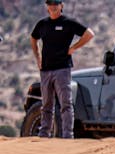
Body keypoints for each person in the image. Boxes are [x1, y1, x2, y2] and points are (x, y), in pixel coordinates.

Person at [30, 0, 94, 138]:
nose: (53, 6)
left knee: (65, 103)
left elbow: (89, 34)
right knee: (46, 104)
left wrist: (74, 48)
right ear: (47, 6)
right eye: (50, 4)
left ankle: (67, 135)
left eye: (56, 4)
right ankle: (44, 134)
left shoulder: (68, 22)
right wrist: (38, 57)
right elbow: (33, 38)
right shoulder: (42, 24)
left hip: (62, 69)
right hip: (45, 69)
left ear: (61, 6)